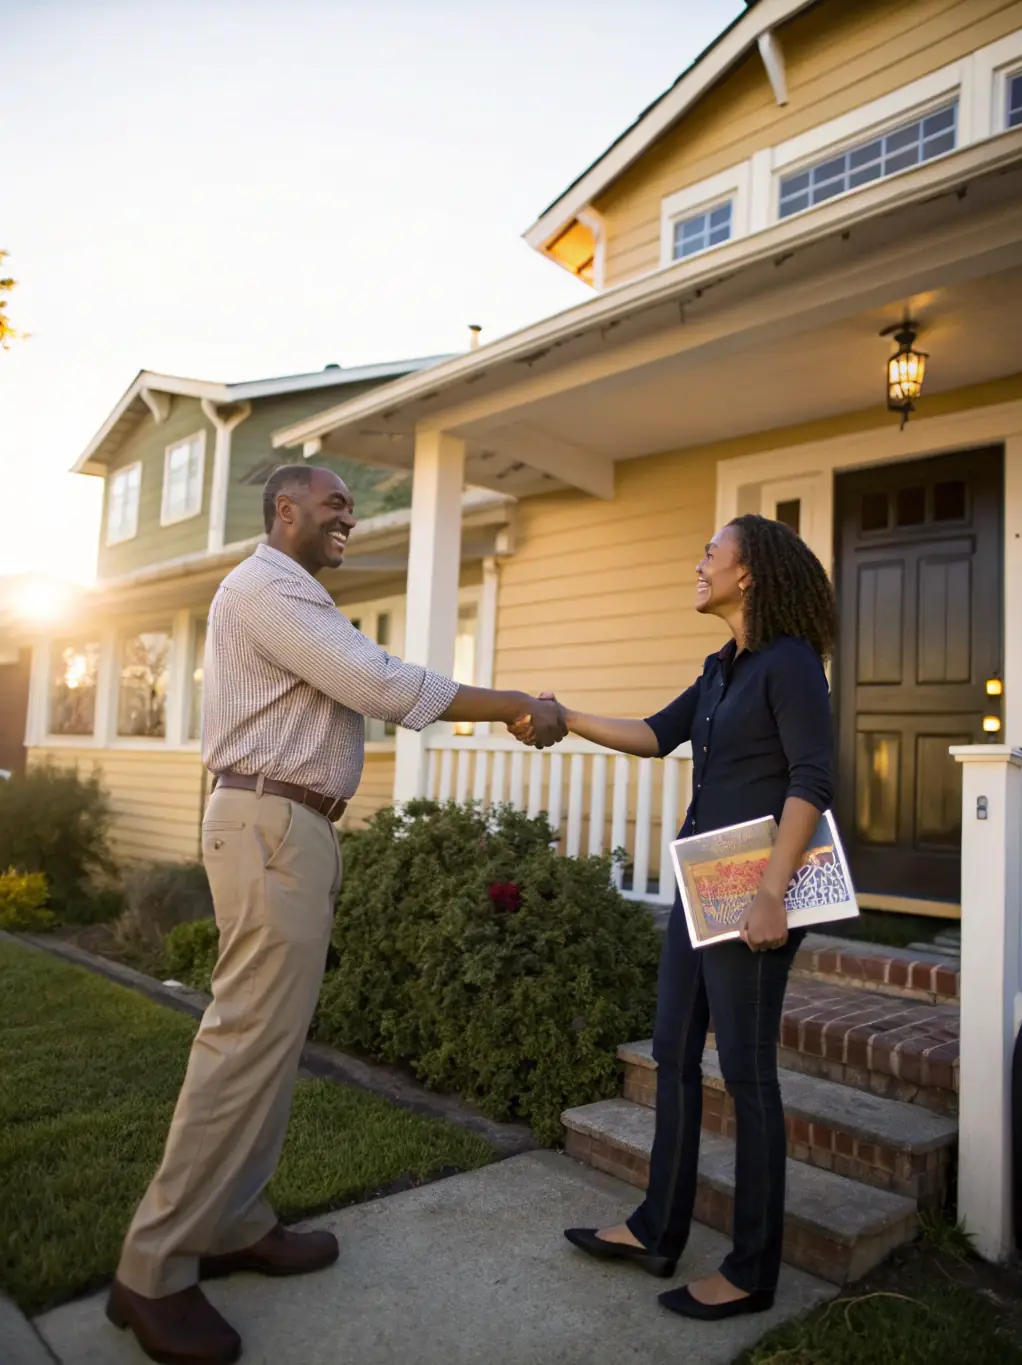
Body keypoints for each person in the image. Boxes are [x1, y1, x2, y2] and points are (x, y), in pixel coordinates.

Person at [108, 465, 566, 1365]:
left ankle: (235, 1221)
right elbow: (382, 683)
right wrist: (513, 702)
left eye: (351, 505)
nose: (347, 516)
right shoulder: (267, 586)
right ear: (285, 510)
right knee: (242, 1040)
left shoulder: (293, 594)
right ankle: (152, 1270)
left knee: (268, 1043)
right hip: (271, 823)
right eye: (333, 504)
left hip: (288, 826)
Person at [512, 513, 836, 1322]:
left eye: (709, 553)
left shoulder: (790, 664)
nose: (699, 564)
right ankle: (658, 1225)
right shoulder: (722, 667)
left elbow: (812, 778)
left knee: (749, 1075)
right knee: (672, 1050)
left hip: (755, 892)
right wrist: (566, 714)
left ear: (749, 571)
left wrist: (770, 892)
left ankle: (753, 1269)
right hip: (702, 882)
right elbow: (658, 735)